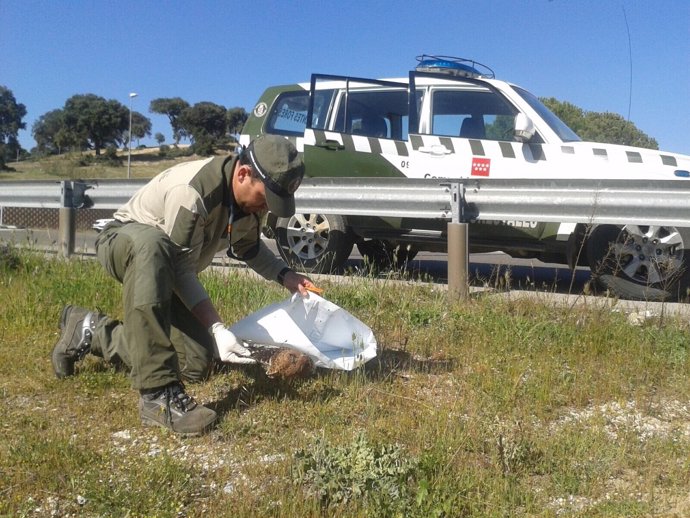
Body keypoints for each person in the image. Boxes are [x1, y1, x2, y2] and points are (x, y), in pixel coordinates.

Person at [52, 135, 317, 436]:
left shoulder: (246, 203)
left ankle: (90, 329)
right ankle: (157, 394)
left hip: (166, 269)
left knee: (195, 362)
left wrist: (286, 276)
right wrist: (217, 327)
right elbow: (179, 269)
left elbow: (249, 247)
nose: (265, 208)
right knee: (152, 244)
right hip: (125, 244)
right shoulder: (191, 193)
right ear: (244, 174)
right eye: (265, 198)